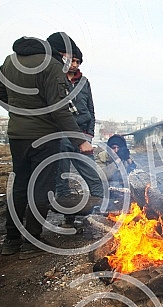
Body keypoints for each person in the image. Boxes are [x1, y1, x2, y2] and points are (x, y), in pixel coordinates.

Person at [0, 33, 93, 258]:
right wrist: (80, 140)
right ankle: (31, 242)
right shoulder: (52, 66)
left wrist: (21, 113)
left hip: (17, 135)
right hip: (45, 137)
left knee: (19, 186)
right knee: (41, 187)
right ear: (59, 51)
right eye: (68, 55)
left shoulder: (10, 60)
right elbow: (59, 109)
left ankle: (11, 241)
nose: (70, 60)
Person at [51, 33, 103, 224]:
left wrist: (88, 135)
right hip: (63, 135)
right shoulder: (56, 79)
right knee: (62, 179)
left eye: (77, 61)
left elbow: (91, 109)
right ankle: (69, 217)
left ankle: (98, 216)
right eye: (71, 60)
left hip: (82, 134)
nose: (74, 64)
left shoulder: (84, 82)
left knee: (94, 176)